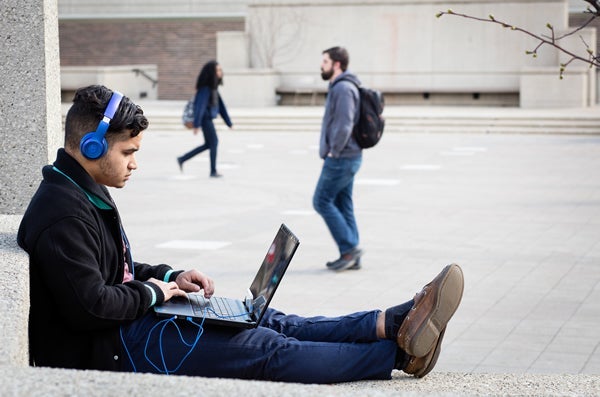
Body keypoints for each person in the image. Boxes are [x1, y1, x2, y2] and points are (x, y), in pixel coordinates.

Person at [17, 85, 464, 384]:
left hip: (128, 325)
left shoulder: (81, 188)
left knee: (265, 318)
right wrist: (155, 293)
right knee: (264, 348)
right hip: (114, 349)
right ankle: (400, 355)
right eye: (129, 152)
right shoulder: (63, 214)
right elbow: (91, 307)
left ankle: (389, 322)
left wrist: (173, 276)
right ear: (91, 146)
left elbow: (116, 271)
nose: (135, 163)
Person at [313, 46, 364, 272]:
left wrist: (334, 150)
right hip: (348, 156)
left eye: (325, 61)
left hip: (342, 157)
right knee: (344, 203)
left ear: (336, 64)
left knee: (321, 200)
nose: (321, 65)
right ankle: (351, 254)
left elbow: (344, 124)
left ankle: (349, 249)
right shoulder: (340, 86)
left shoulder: (343, 88)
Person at [177, 60, 233, 177]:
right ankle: (213, 171)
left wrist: (229, 123)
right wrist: (197, 124)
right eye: (217, 70)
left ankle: (182, 159)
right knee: (214, 142)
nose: (220, 72)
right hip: (205, 119)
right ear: (212, 72)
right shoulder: (206, 88)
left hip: (207, 119)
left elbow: (221, 106)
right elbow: (200, 106)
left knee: (209, 144)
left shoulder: (213, 87)